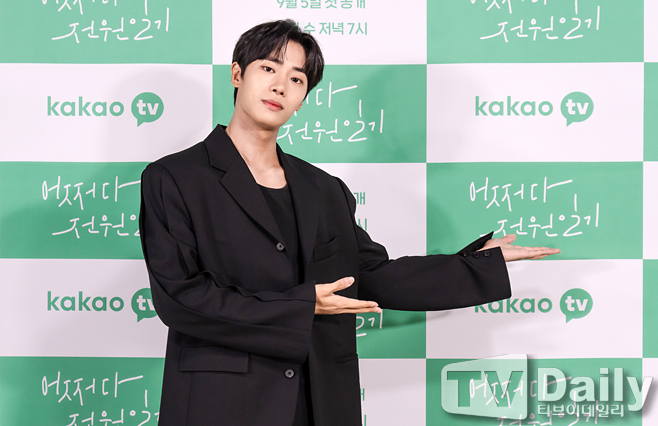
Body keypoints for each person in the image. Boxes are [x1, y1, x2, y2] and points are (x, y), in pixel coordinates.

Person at [139, 19, 559, 426]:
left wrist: (477, 263)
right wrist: (303, 306)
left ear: (303, 99)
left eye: (297, 79)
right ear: (237, 74)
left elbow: (372, 276)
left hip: (321, 399)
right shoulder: (174, 178)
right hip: (223, 402)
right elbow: (180, 298)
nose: (280, 86)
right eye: (268, 69)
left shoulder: (323, 188)